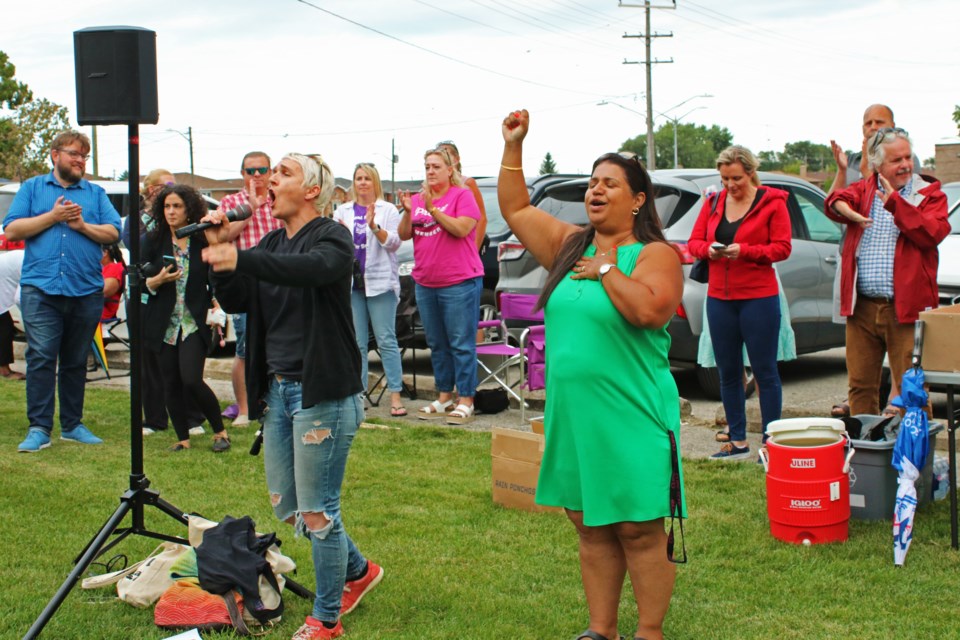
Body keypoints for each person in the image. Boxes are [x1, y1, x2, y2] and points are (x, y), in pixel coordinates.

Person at [498, 109, 685, 640]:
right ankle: (601, 630)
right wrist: (514, 145)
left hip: (632, 413)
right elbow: (513, 206)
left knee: (638, 527)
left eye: (610, 184)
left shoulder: (655, 254)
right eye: (592, 184)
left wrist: (606, 269)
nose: (596, 191)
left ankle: (649, 631)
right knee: (589, 523)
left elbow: (649, 312)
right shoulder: (568, 245)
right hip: (574, 414)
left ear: (638, 199)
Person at [203, 152, 382, 640]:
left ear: (311, 191)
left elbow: (311, 271)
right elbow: (241, 298)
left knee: (319, 511)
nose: (269, 180)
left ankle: (326, 620)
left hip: (321, 392)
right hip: (279, 392)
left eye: (282, 172)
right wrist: (222, 252)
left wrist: (243, 256)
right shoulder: (270, 242)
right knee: (288, 505)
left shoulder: (332, 236)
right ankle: (360, 570)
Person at [3, 130, 121, 452]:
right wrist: (53, 217)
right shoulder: (33, 188)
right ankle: (39, 428)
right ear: (55, 155)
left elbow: (114, 230)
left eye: (84, 155)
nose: (80, 160)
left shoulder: (95, 194)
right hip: (41, 289)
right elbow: (12, 228)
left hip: (85, 291)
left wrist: (82, 226)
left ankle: (72, 425)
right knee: (41, 357)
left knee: (73, 360)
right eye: (74, 153)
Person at [825, 128, 950, 418]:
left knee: (913, 390)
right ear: (878, 163)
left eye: (908, 157)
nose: (905, 164)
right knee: (860, 386)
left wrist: (894, 202)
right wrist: (851, 213)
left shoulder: (929, 193)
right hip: (863, 308)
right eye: (897, 160)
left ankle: (916, 461)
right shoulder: (864, 189)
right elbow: (832, 204)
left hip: (906, 310)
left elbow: (931, 233)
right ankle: (867, 455)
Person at [688, 145, 792, 460]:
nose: (730, 185)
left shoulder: (773, 203)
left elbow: (782, 248)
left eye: (736, 178)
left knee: (764, 370)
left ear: (750, 173)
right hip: (720, 298)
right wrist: (710, 250)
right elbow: (694, 242)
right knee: (728, 371)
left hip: (759, 297)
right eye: (724, 179)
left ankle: (770, 440)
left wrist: (744, 251)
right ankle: (736, 439)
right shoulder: (714, 202)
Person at [398, 147, 483, 424]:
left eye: (436, 166)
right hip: (426, 281)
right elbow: (404, 235)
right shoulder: (418, 199)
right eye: (427, 167)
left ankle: (467, 399)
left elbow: (461, 229)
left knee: (461, 343)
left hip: (459, 281)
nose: (431, 171)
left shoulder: (462, 195)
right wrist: (408, 213)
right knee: (437, 343)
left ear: (450, 170)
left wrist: (434, 210)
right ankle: (444, 396)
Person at [142, 184, 230, 453]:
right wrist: (156, 281)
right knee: (170, 381)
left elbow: (218, 272)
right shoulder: (153, 240)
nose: (171, 211)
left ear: (189, 208)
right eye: (167, 206)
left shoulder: (200, 238)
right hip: (163, 323)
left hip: (193, 322)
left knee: (191, 378)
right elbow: (137, 280)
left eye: (177, 206)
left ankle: (220, 431)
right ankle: (183, 438)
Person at [333, 163, 406, 416]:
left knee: (386, 340)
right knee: (357, 343)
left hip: (380, 283)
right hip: (352, 285)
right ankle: (359, 394)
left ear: (375, 182)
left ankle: (396, 395)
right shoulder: (342, 211)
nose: (362, 182)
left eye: (367, 178)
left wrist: (374, 226)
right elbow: (336, 247)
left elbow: (394, 244)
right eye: (358, 178)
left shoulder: (388, 210)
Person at [218, 151, 281, 428]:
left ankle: (272, 404)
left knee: (277, 347)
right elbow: (224, 236)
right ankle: (244, 409)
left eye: (262, 170)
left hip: (279, 282)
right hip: (246, 285)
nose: (256, 175)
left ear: (270, 172)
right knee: (245, 349)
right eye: (250, 171)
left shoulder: (280, 198)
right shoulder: (231, 202)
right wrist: (251, 209)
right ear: (242, 174)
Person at [436, 140, 487, 251]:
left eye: (447, 155)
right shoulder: (434, 187)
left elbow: (482, 218)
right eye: (440, 156)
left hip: (464, 246)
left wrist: (474, 249)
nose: (444, 159)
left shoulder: (467, 183)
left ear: (457, 159)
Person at [121, 168, 175, 249]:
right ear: (152, 189)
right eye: (168, 186)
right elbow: (135, 248)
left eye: (175, 187)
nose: (173, 191)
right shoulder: (135, 219)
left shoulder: (177, 214)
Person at [0, 249, 25, 380]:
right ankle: (4, 370)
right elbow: (19, 298)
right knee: (5, 327)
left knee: (5, 325)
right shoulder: (31, 263)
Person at [100, 243, 126, 321]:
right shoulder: (100, 269)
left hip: (101, 313)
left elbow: (104, 291)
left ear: (105, 252)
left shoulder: (115, 268)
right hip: (91, 310)